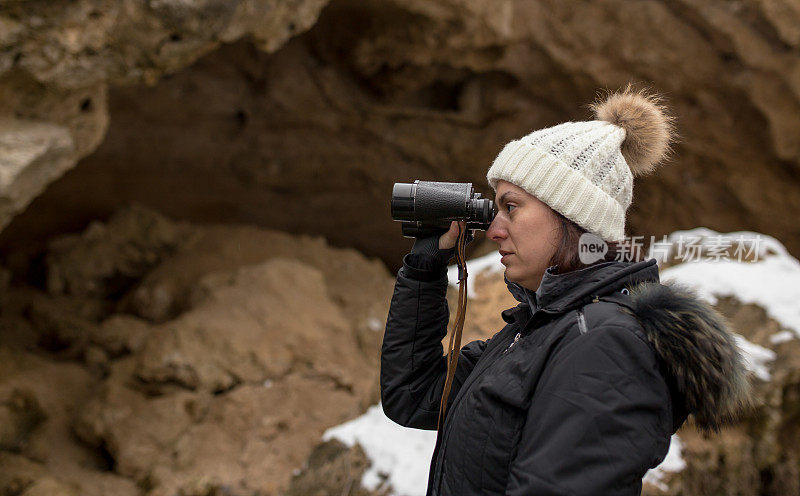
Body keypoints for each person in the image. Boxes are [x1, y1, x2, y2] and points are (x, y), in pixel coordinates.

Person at [380, 86, 752, 496]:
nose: (494, 229)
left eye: (512, 207)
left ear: (572, 216)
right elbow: (414, 395)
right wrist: (424, 270)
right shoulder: (539, 332)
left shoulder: (604, 344)